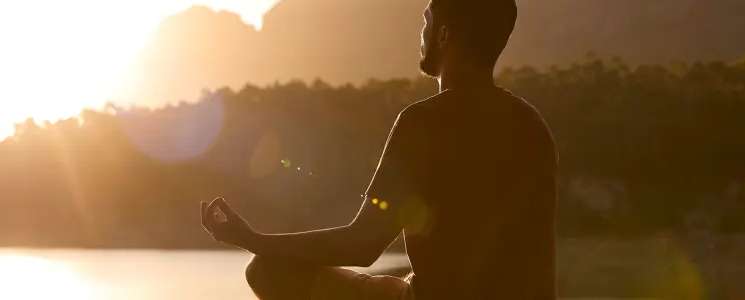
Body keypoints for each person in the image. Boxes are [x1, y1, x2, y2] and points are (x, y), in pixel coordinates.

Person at [200, 0, 558, 299]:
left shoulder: (424, 122)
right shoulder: (532, 126)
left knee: (268, 269)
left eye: (426, 22)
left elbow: (363, 245)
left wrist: (252, 239)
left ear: (444, 35)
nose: (421, 33)